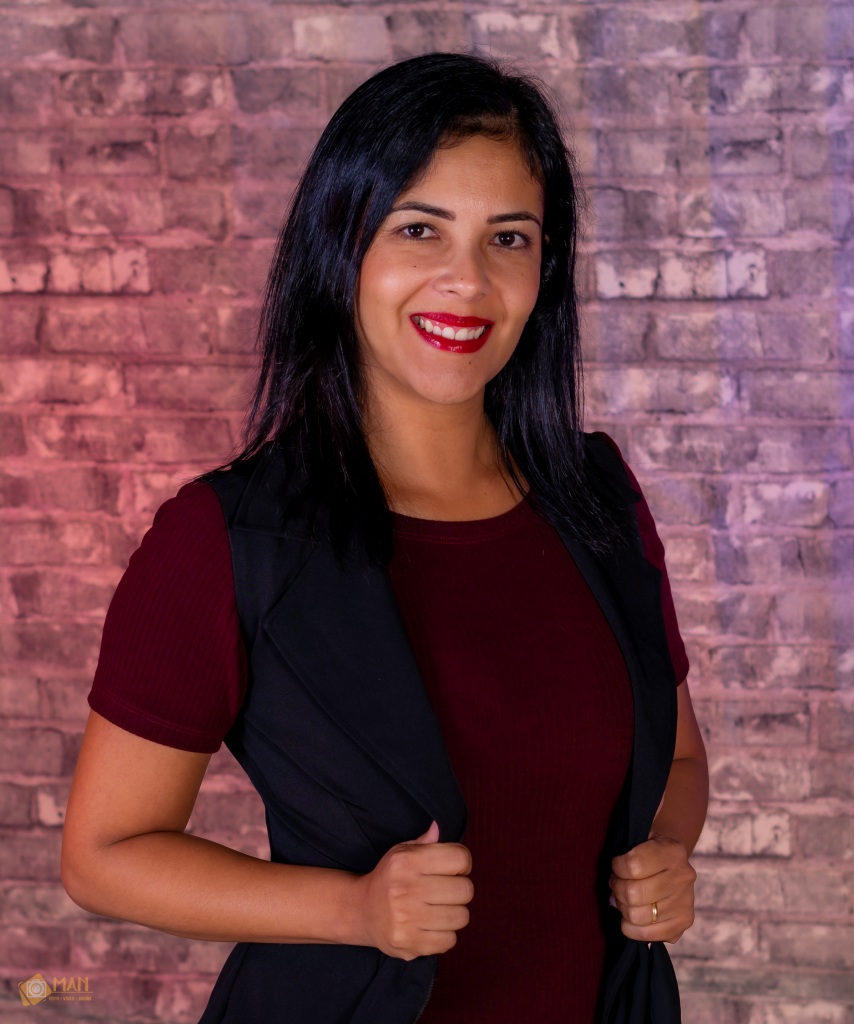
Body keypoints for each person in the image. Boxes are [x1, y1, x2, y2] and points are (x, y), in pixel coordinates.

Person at [61, 52, 708, 1024]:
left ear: (544, 269)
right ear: (341, 245)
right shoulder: (229, 538)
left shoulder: (597, 499)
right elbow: (102, 855)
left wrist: (667, 851)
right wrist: (352, 908)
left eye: (508, 238)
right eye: (418, 228)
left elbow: (680, 763)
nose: (467, 280)